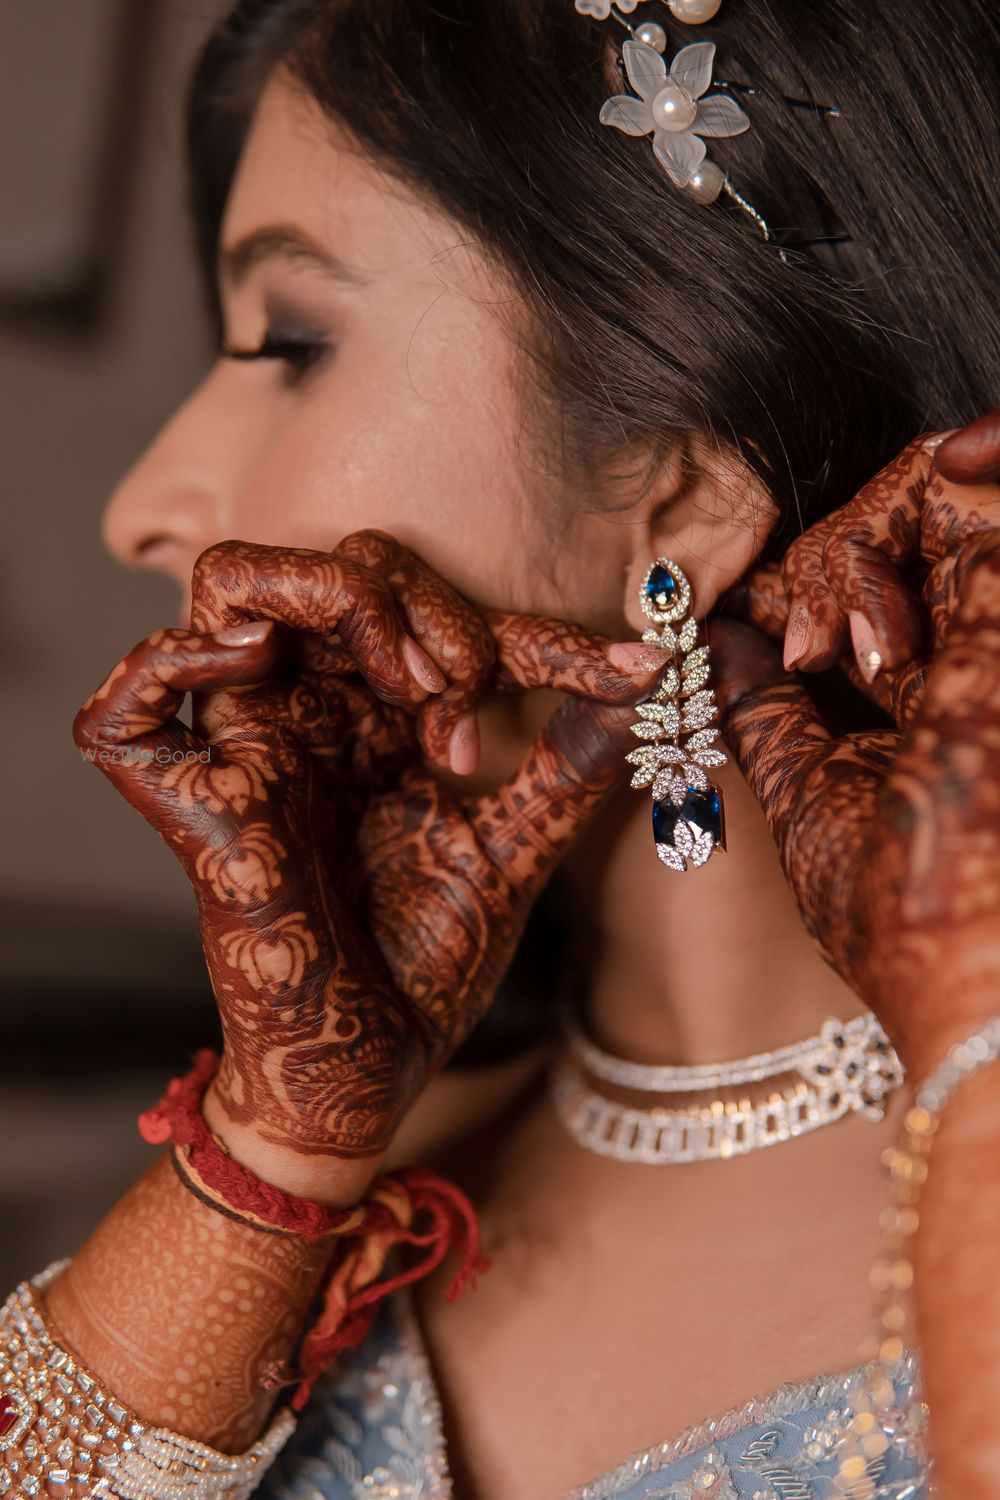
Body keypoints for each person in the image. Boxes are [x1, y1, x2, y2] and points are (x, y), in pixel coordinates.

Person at [2, 3, 998, 1498]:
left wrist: (972, 1016)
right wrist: (268, 1160)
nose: (145, 504)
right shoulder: (323, 1186)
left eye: (290, 340)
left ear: (678, 496)